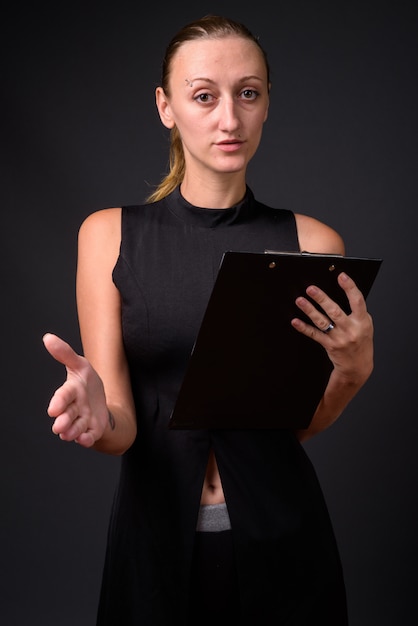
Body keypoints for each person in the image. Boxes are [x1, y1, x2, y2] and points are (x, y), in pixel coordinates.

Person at [43, 14, 374, 625]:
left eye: (248, 93)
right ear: (166, 107)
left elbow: (289, 427)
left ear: (267, 103)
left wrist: (352, 372)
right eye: (204, 96)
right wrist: (95, 415)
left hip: (285, 539)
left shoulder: (313, 244)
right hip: (154, 540)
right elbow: (123, 428)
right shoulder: (108, 235)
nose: (230, 119)